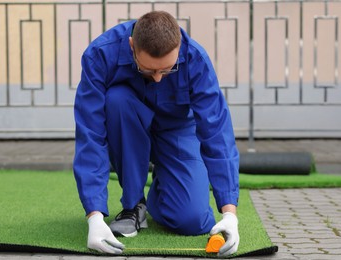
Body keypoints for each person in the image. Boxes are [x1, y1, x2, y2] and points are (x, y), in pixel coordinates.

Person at [73, 10, 240, 257]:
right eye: (148, 70)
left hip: (177, 130)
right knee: (117, 100)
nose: (159, 78)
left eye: (167, 70)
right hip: (128, 126)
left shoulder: (196, 59)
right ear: (132, 46)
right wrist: (94, 216)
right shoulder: (100, 55)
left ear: (179, 47)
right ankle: (134, 205)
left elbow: (216, 132)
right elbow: (91, 135)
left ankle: (163, 189)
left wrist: (229, 213)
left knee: (193, 220)